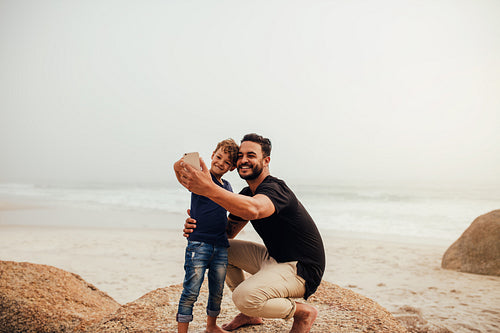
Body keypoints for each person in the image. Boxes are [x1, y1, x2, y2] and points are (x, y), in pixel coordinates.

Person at [175, 133, 326, 333]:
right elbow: (226, 233)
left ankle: (303, 313)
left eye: (251, 155)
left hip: (301, 269)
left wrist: (209, 188)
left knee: (243, 298)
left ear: (266, 161)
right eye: (240, 156)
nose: (244, 160)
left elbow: (254, 209)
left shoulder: (275, 188)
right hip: (274, 259)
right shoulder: (247, 194)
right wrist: (197, 226)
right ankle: (251, 314)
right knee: (220, 250)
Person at [173, 138, 239, 333]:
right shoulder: (200, 178)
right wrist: (183, 162)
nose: (220, 163)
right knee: (191, 291)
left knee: (217, 291)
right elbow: (178, 170)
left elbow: (226, 213)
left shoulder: (227, 187)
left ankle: (211, 326)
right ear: (212, 155)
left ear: (232, 167)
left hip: (220, 246)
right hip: (198, 245)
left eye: (227, 162)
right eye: (218, 157)